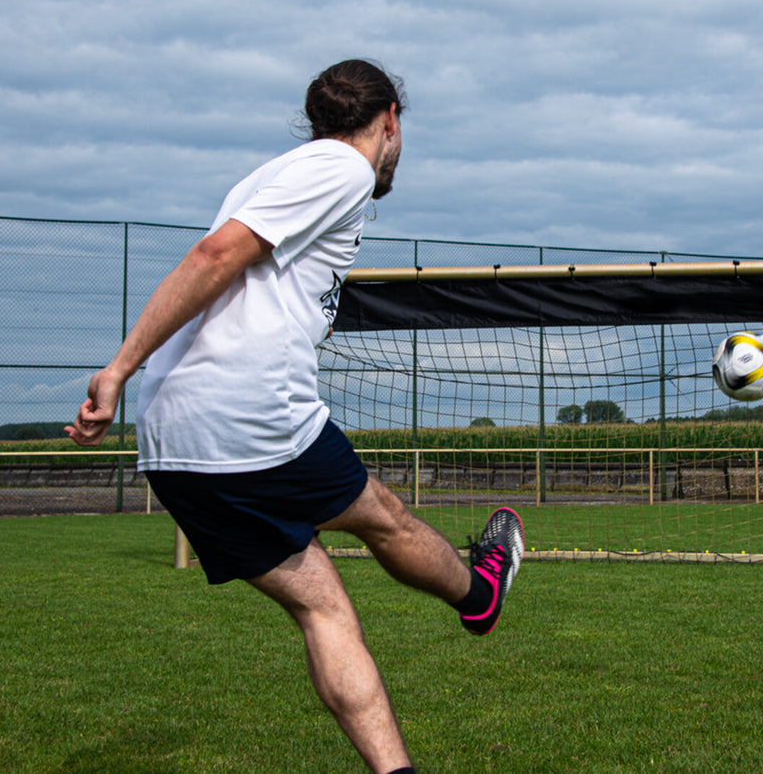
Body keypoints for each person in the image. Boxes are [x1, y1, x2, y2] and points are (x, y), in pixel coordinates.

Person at [66, 59, 524, 774]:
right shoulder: (342, 168)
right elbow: (217, 254)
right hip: (250, 417)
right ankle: (480, 592)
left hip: (174, 445)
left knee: (324, 609)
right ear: (389, 122)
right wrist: (118, 365)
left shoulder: (270, 178)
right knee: (385, 517)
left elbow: (255, 281)